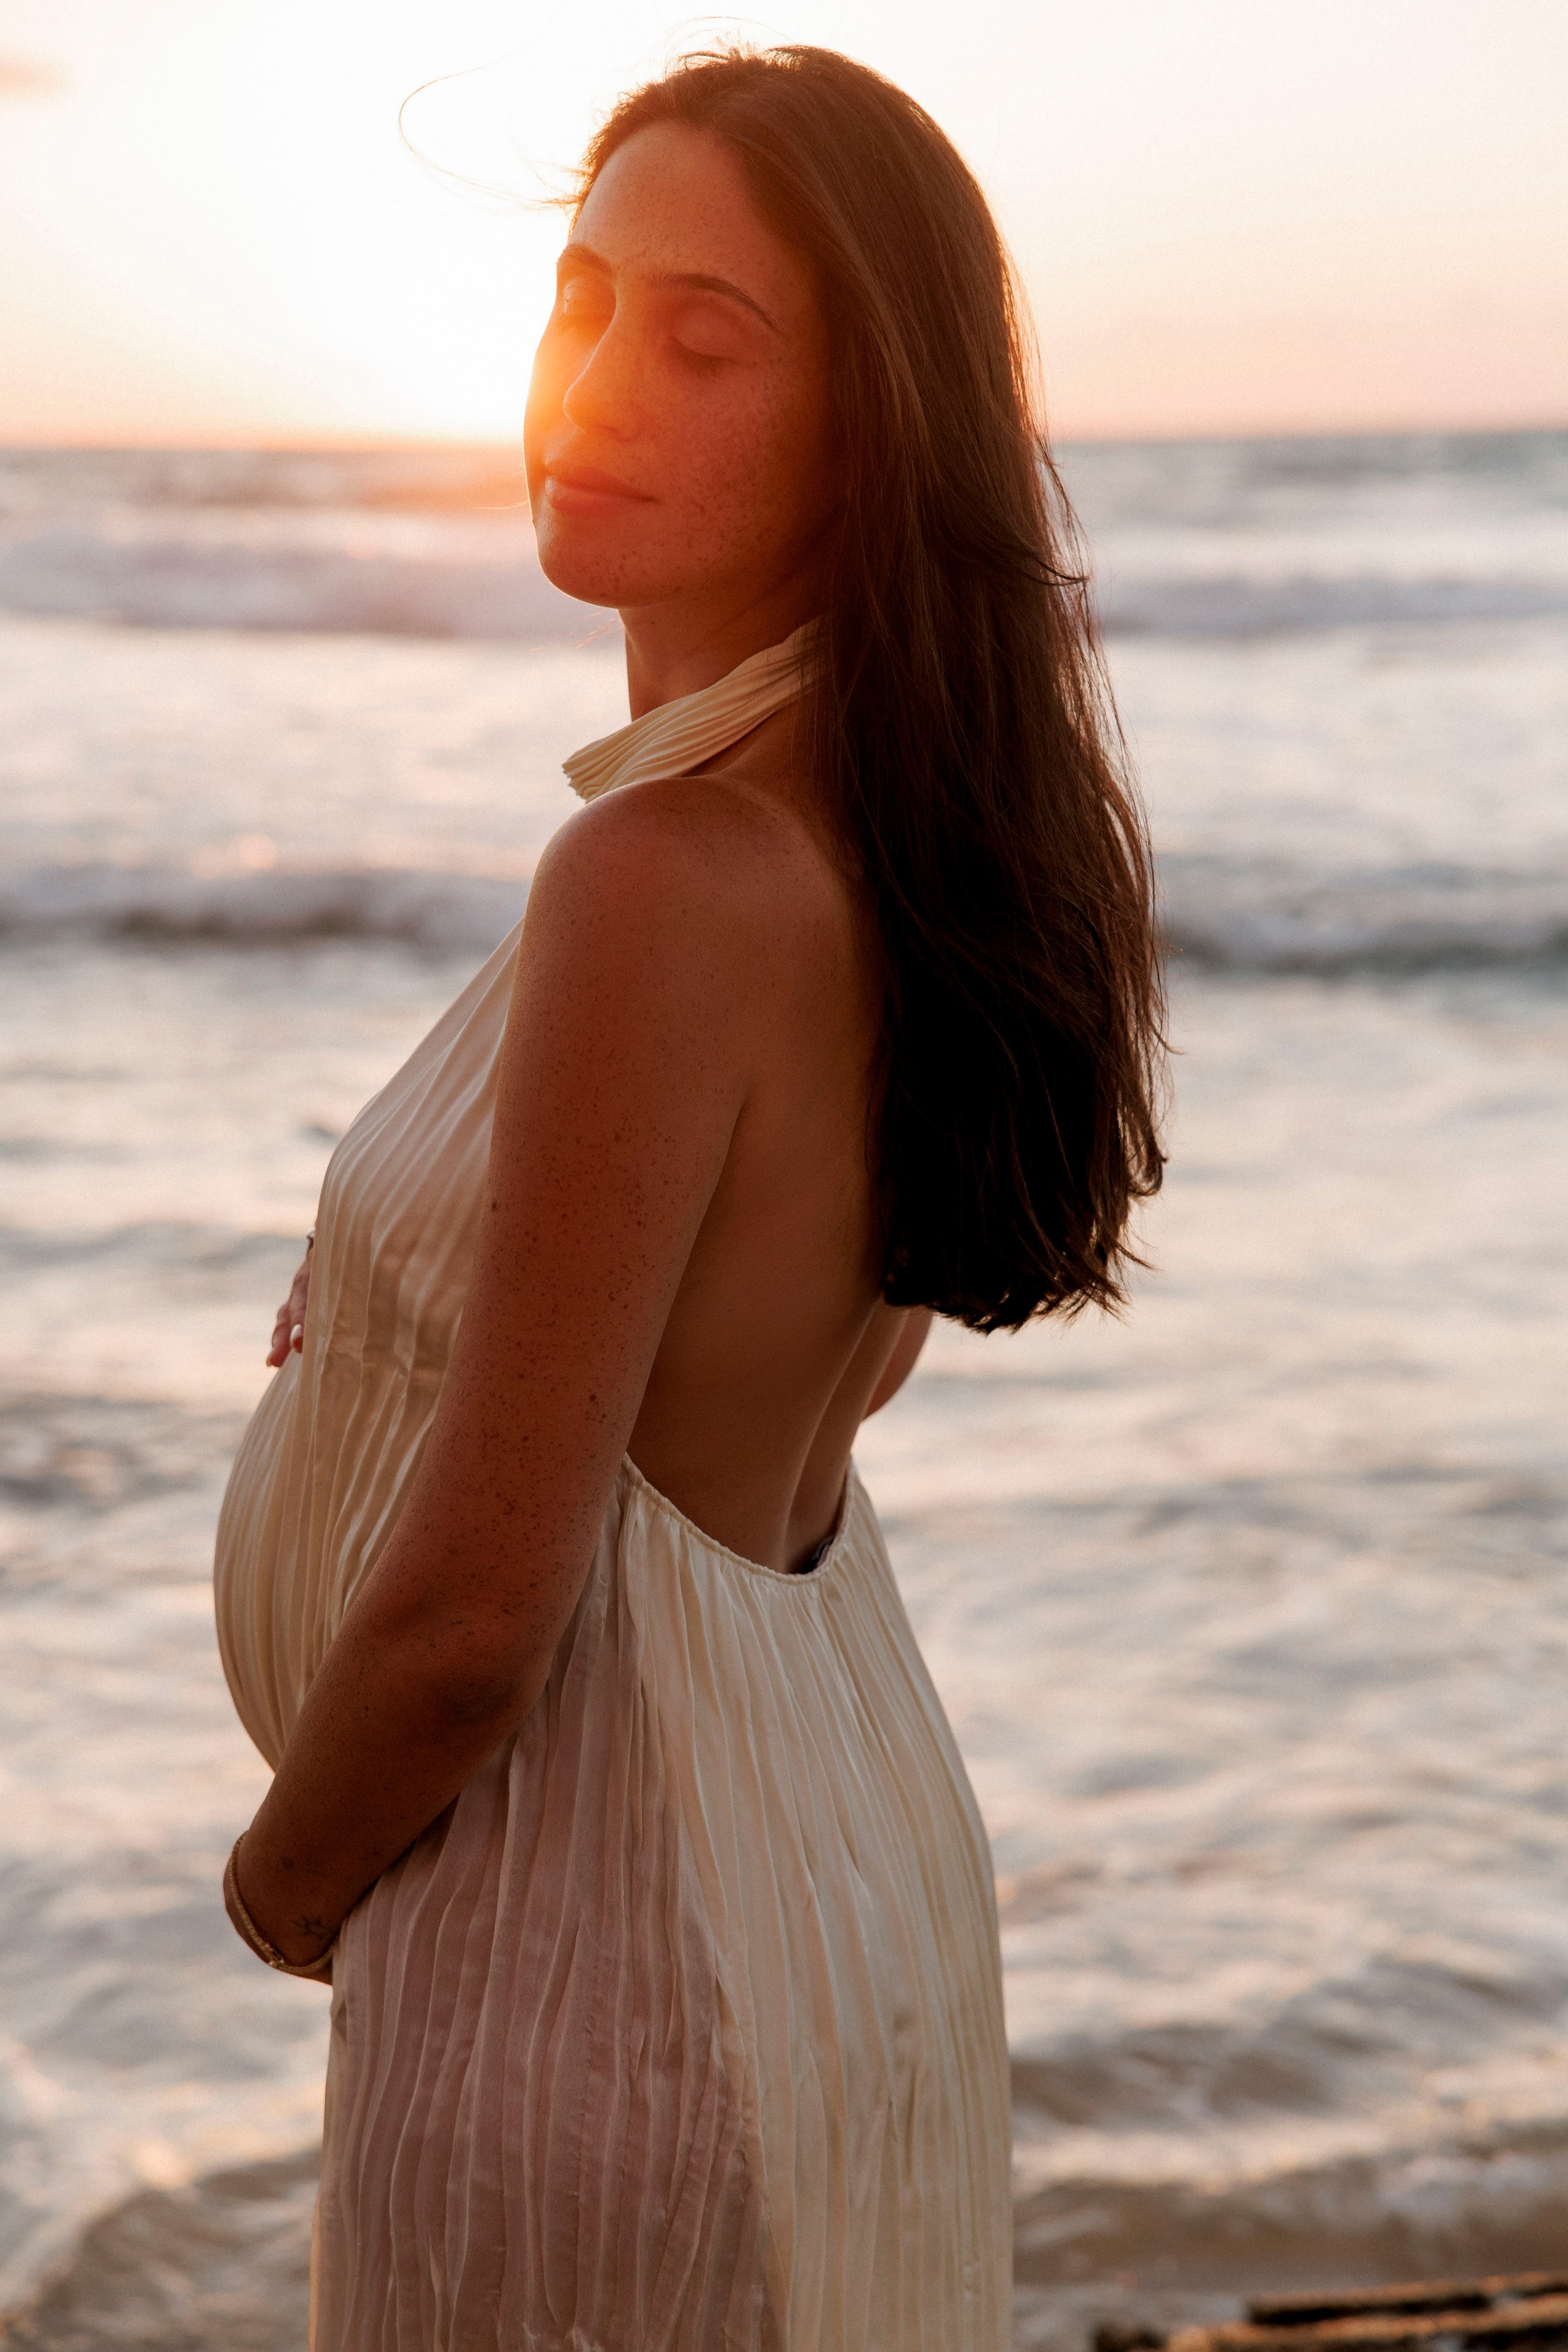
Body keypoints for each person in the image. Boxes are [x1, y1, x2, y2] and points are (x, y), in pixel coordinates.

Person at [213, 43, 1164, 2351]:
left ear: (872, 428)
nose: (595, 380)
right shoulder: (908, 851)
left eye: (704, 335)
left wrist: (288, 1881)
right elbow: (758, 1383)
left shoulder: (664, 872)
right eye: (579, 298)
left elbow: (476, 1617)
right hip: (831, 1875)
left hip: (598, 1940)